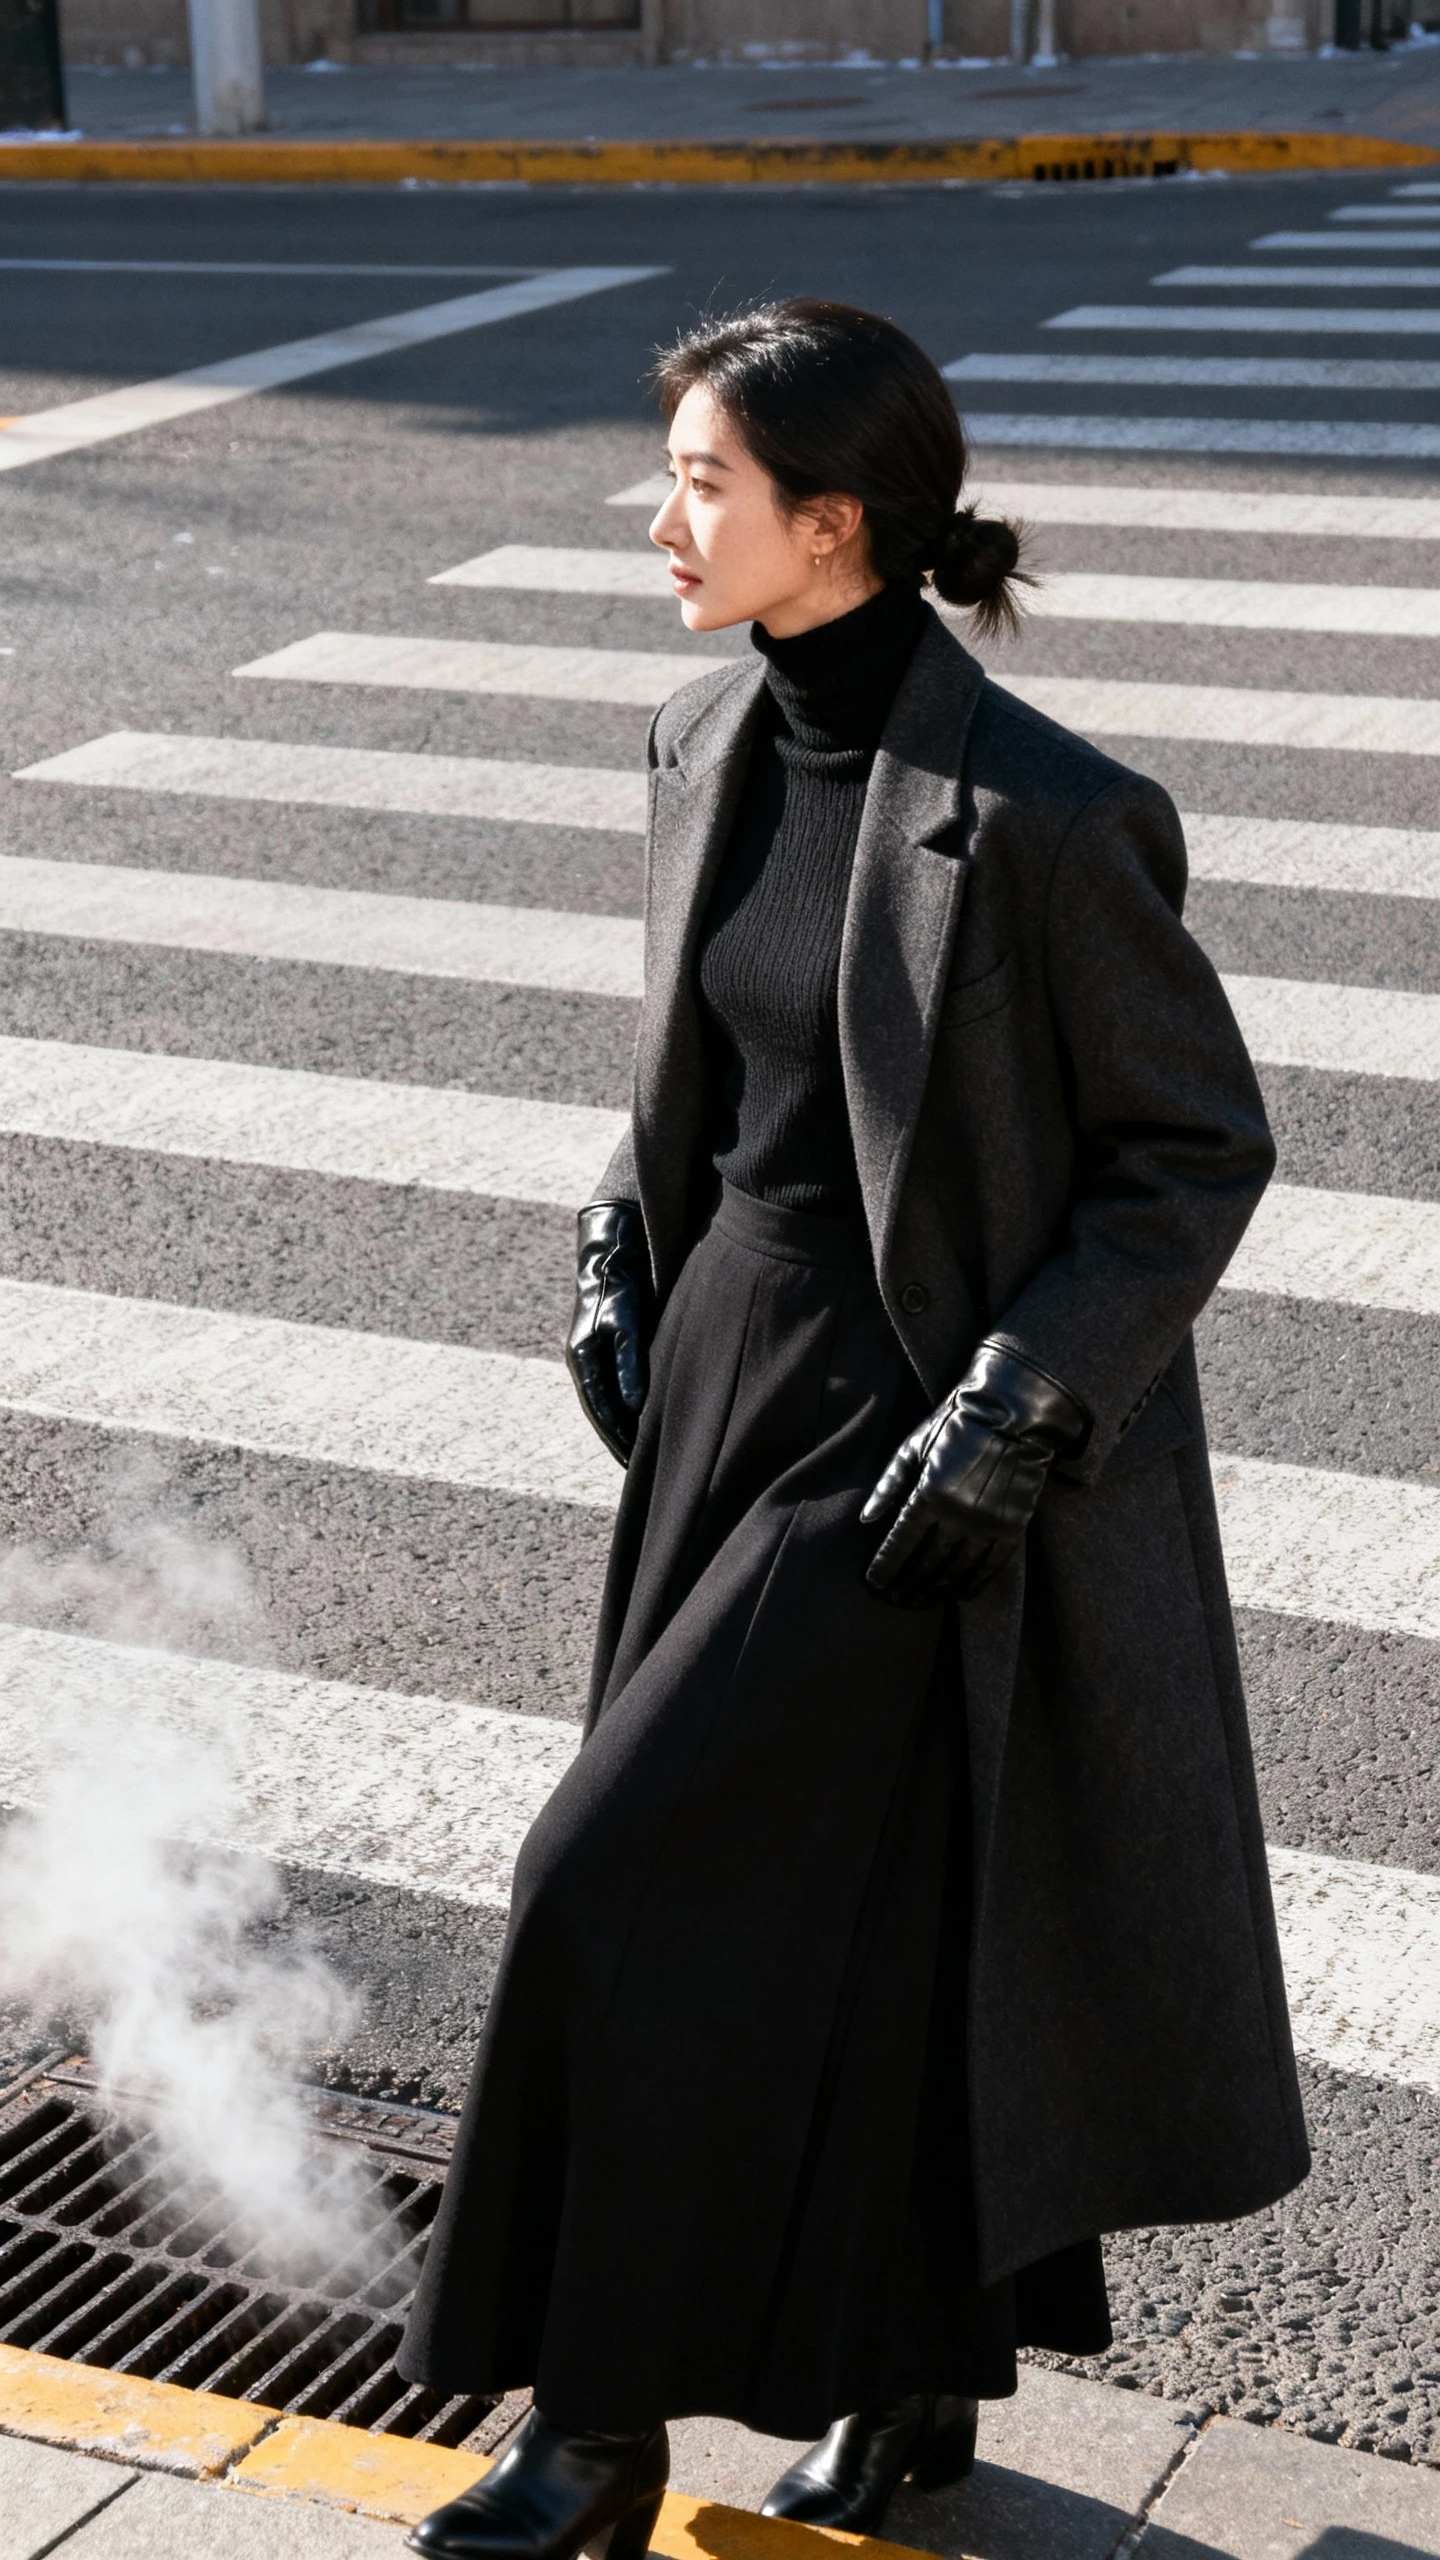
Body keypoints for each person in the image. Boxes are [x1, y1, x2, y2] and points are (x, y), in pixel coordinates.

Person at [398, 298, 1310, 2560]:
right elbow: (711, 1078)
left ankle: (592, 2431)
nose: (662, 514)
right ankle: (914, 2381)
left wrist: (1023, 1404)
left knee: (600, 1882)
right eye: (675, 471)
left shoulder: (1048, 813)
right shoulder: (702, 733)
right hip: (725, 1381)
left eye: (704, 480)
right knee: (892, 1917)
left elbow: (1192, 1146)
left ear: (842, 522)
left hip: (909, 1421)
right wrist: (621, 1236)